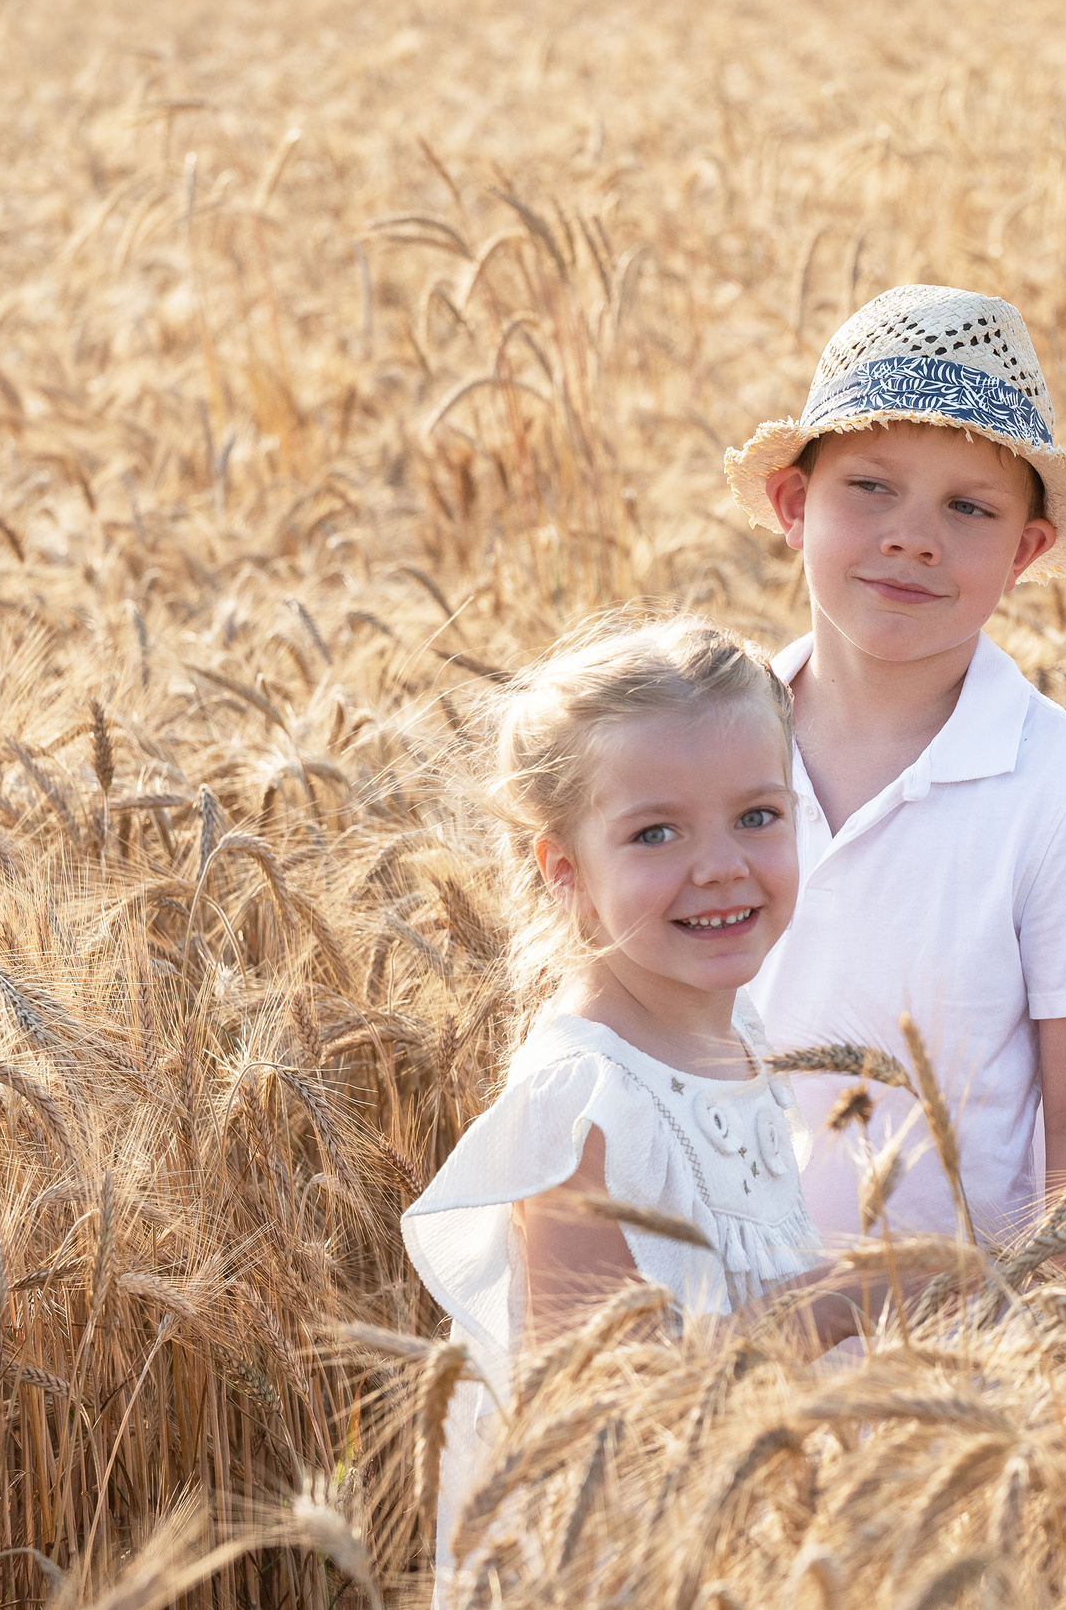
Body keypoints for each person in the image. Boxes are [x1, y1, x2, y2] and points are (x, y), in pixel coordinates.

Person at [400, 614, 860, 1595]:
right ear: (563, 869)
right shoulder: (586, 1108)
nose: (722, 863)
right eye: (657, 832)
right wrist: (830, 1308)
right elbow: (603, 1418)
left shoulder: (741, 1041)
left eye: (757, 815)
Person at [723, 284, 1066, 1253]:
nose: (913, 535)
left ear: (1026, 549)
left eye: (967, 507)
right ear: (794, 504)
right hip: (692, 1308)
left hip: (939, 1347)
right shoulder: (700, 743)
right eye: (871, 487)